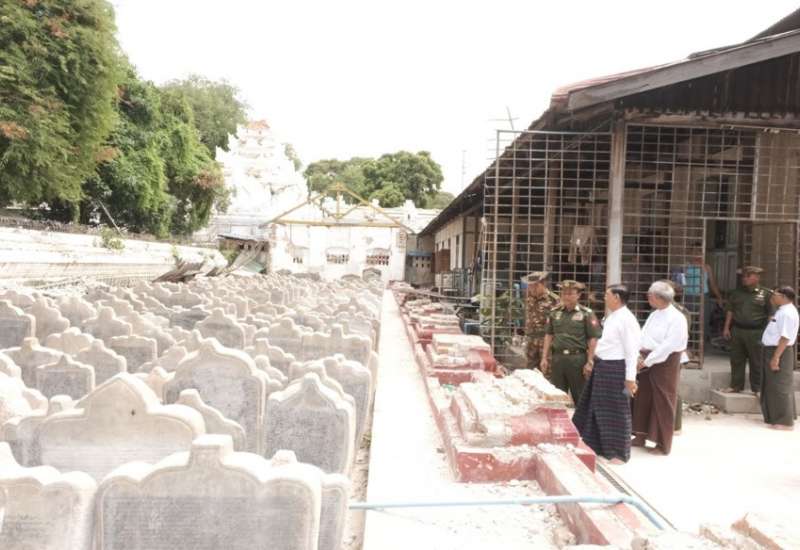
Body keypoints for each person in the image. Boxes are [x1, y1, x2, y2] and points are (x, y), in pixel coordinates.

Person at [573, 284, 640, 463]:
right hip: (602, 366)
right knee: (595, 406)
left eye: (607, 295)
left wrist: (630, 379)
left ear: (617, 298)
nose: (604, 298)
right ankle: (596, 446)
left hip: (616, 369)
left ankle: (619, 453)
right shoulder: (612, 317)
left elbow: (632, 351)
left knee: (616, 410)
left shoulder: (627, 319)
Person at [632, 281, 688, 455]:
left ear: (656, 297)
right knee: (642, 397)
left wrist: (648, 361)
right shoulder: (654, 314)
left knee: (663, 400)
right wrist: (638, 355)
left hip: (665, 362)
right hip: (646, 358)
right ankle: (640, 435)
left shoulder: (677, 318)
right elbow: (642, 335)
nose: (648, 297)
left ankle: (662, 444)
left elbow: (669, 345)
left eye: (650, 295)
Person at [541, 280, 601, 404]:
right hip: (558, 359)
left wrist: (590, 361)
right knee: (557, 396)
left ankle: (581, 418)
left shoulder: (586, 314)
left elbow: (593, 338)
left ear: (578, 295)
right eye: (564, 293)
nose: (566, 296)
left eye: (570, 293)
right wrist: (544, 358)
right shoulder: (555, 312)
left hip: (577, 360)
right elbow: (548, 335)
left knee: (580, 396)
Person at [722, 266, 772, 395]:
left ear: (757, 277)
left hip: (756, 332)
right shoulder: (736, 293)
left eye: (748, 276)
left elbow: (770, 315)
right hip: (737, 330)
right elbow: (730, 311)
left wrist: (768, 332)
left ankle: (757, 388)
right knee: (736, 359)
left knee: (756, 361)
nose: (745, 278)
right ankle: (736, 385)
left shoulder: (766, 294)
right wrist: (726, 327)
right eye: (743, 276)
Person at [760, 286, 799, 430]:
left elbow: (785, 337)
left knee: (780, 386)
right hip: (774, 350)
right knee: (773, 385)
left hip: (779, 351)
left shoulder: (787, 313)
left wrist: (776, 357)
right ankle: (777, 417)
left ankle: (784, 422)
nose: (772, 297)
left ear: (783, 297)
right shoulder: (782, 311)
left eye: (775, 294)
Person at [679, 246, 724, 342]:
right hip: (688, 296)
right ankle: (687, 342)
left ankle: (701, 343)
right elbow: (681, 282)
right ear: (690, 254)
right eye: (694, 252)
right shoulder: (685, 266)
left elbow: (712, 283)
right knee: (687, 320)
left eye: (699, 252)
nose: (697, 254)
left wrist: (719, 297)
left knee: (703, 321)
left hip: (703, 296)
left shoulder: (706, 267)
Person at [523, 271, 559, 373]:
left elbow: (557, 324)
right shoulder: (529, 297)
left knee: (546, 371)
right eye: (530, 286)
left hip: (546, 342)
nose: (532, 289)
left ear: (543, 284)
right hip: (531, 340)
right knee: (530, 371)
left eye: (535, 286)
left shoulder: (554, 300)